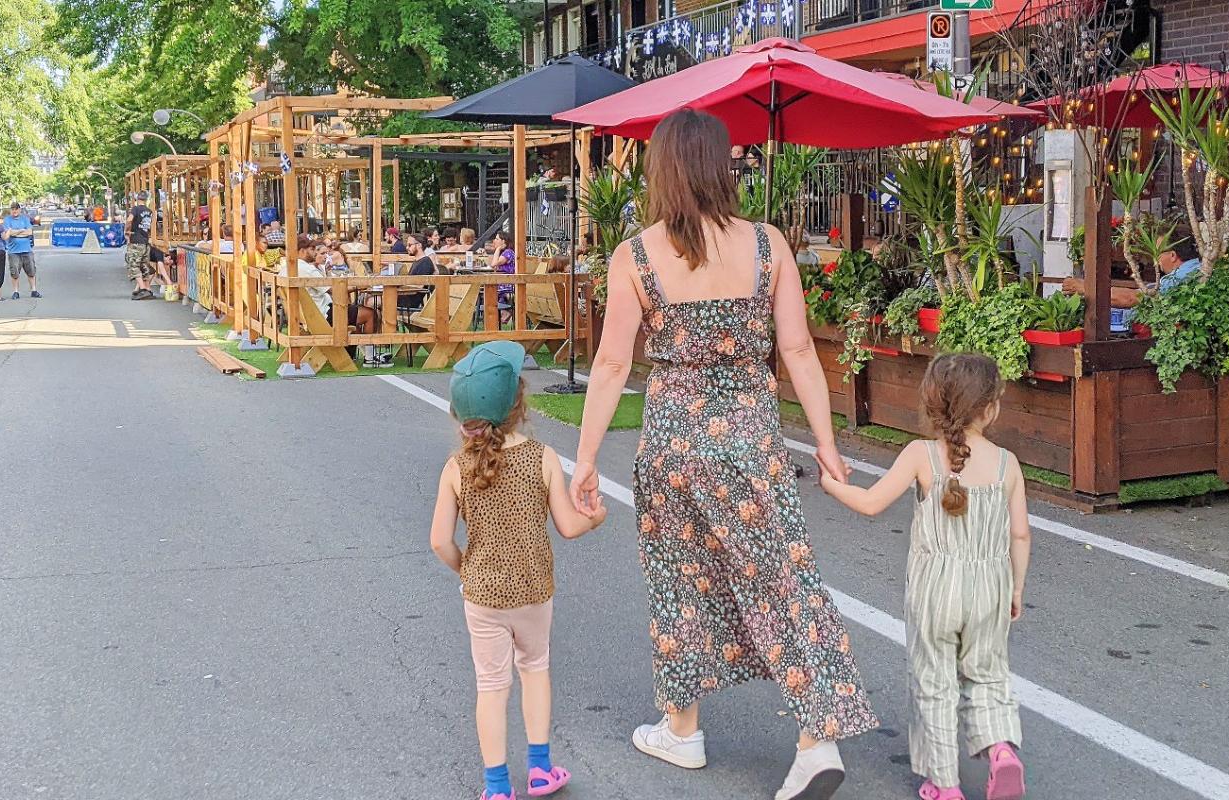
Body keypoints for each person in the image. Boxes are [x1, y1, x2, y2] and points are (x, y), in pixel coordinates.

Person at [567, 109, 877, 800]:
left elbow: (613, 363)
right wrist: (825, 444)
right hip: (750, 441)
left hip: (673, 443)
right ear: (720, 166)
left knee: (679, 580)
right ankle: (814, 734)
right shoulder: (768, 245)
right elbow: (797, 349)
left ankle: (682, 728)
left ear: (663, 171)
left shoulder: (636, 256)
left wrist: (584, 460)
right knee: (782, 580)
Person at [818, 354, 1031, 800]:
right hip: (991, 585)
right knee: (988, 673)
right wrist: (1016, 587)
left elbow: (873, 503)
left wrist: (832, 486)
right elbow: (1020, 534)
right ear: (990, 408)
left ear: (933, 405)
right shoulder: (1007, 464)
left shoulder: (921, 456)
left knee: (933, 679)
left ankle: (943, 783)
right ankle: (1001, 752)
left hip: (935, 589)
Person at [428, 340, 608, 800]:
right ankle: (541, 770)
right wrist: (596, 517)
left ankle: (495, 787)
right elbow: (568, 527)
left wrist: (466, 571)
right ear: (518, 403)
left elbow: (439, 541)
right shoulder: (542, 457)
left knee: (491, 685)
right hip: (533, 591)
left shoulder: (456, 468)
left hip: (482, 595)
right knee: (535, 668)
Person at [293, 236, 384, 364]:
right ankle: (369, 358)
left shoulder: (289, 268)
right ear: (302, 250)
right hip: (322, 315)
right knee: (370, 314)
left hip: (311, 315)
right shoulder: (307, 269)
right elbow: (333, 290)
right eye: (311, 249)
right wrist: (360, 285)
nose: (313, 253)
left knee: (354, 314)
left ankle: (349, 355)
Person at [1061, 239, 1201, 309]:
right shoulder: (1198, 267)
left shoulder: (1180, 277)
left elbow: (1131, 298)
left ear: (1172, 255)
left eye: (1157, 252)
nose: (1155, 259)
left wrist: (1086, 288)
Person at [4, 202, 39, 299]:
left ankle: (34, 290)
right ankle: (16, 291)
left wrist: (15, 232)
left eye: (16, 209)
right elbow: (8, 233)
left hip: (26, 250)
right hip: (13, 251)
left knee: (31, 270)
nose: (14, 211)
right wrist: (21, 231)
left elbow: (29, 232)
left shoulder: (25, 219)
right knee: (14, 272)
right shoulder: (7, 220)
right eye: (12, 209)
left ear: (19, 210)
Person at [125, 193, 154, 300]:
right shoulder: (149, 212)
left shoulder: (135, 209)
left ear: (137, 199)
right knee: (144, 265)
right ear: (146, 200)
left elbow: (129, 220)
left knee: (133, 265)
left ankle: (142, 289)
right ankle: (147, 289)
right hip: (145, 241)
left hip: (136, 241)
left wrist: (127, 231)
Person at [488, 231, 517, 326]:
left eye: (497, 239)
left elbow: (493, 264)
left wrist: (498, 249)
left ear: (503, 241)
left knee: (489, 291)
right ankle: (503, 315)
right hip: (502, 282)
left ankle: (499, 317)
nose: (494, 241)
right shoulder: (504, 253)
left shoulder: (508, 253)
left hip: (508, 284)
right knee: (487, 290)